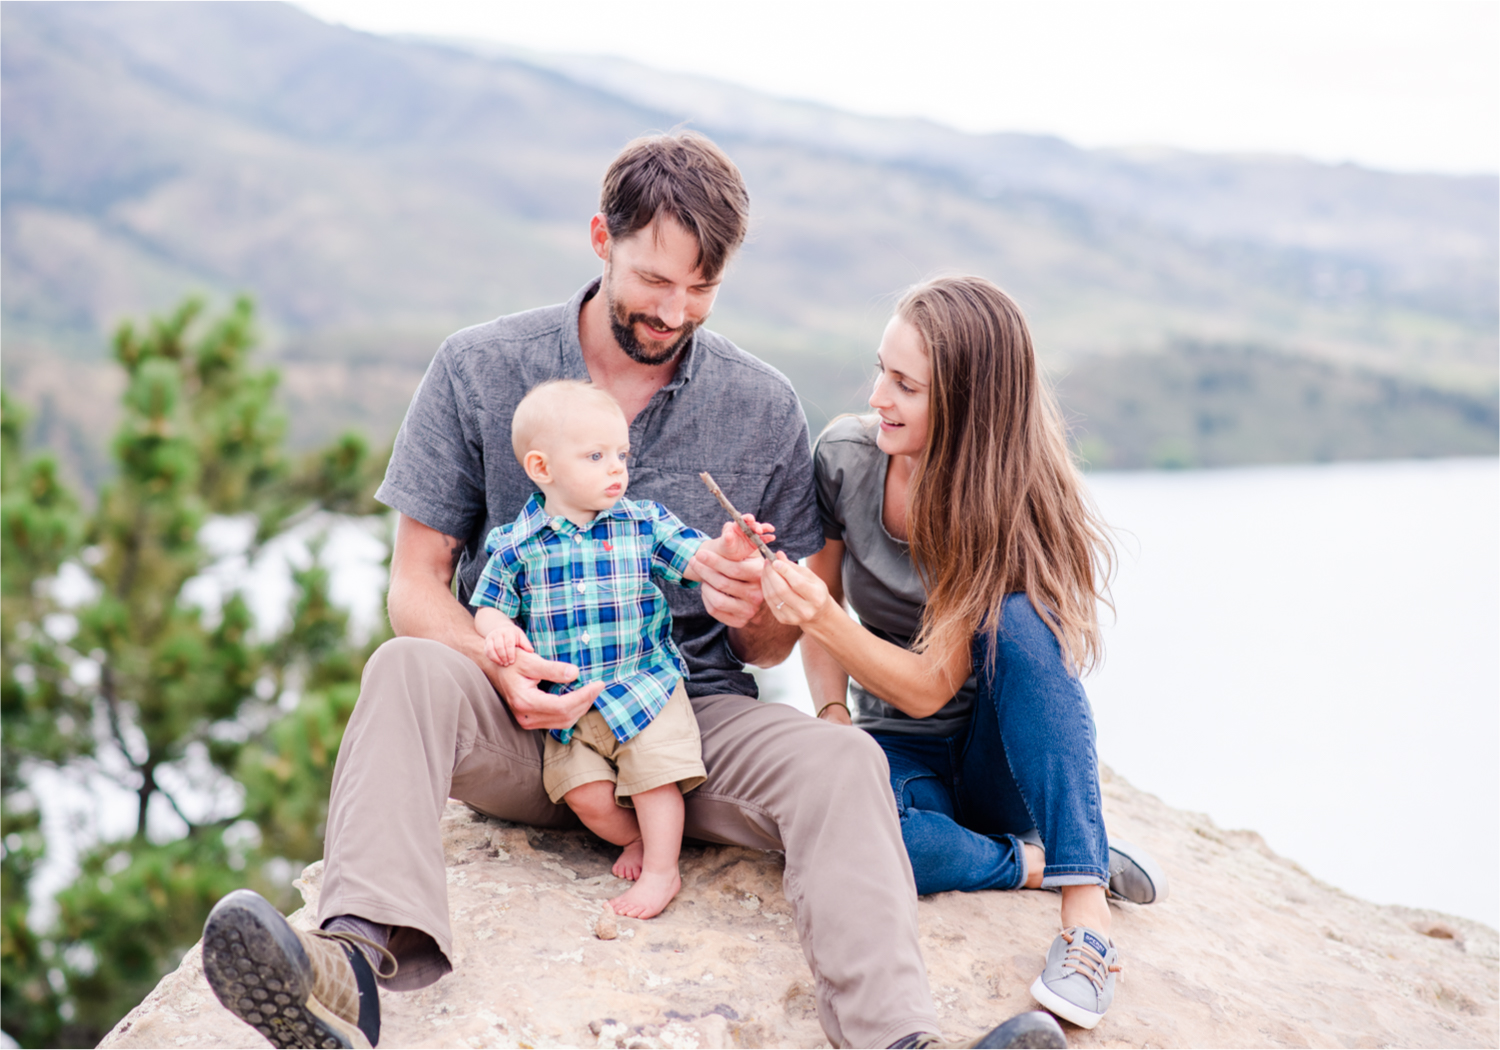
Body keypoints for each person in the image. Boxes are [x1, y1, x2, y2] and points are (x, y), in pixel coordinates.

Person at [201, 133, 1065, 1050]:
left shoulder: (762, 403)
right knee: (405, 664)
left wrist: (755, 611)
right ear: (600, 239)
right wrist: (499, 666)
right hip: (528, 724)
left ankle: (898, 1040)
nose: (676, 309)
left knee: (847, 763)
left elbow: (775, 644)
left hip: (692, 728)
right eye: (657, 280)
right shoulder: (477, 369)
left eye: (703, 289)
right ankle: (346, 975)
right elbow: (415, 588)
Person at [762, 275, 1169, 1031]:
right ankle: (1052, 861)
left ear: (965, 403)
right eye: (881, 369)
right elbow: (828, 607)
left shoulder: (1000, 502)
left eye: (905, 386)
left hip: (998, 760)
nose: (878, 395)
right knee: (874, 849)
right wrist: (829, 716)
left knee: (1020, 623)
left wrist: (822, 618)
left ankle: (1086, 922)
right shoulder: (847, 459)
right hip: (901, 751)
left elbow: (925, 685)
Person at [471, 378, 777, 920]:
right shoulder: (514, 546)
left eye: (621, 454)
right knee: (583, 793)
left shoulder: (643, 523)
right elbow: (490, 603)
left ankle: (663, 869)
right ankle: (635, 841)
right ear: (543, 469)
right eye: (596, 456)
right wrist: (497, 629)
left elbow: (698, 559)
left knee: (655, 776)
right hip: (570, 705)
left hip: (644, 686)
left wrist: (727, 549)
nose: (617, 468)